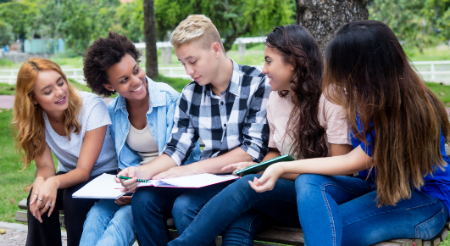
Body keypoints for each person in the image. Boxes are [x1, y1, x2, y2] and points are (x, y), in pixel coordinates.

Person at [250, 20, 450, 246]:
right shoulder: (365, 97)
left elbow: (354, 161)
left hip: (424, 201)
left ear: (361, 66)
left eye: (340, 68)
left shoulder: (404, 106)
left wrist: (283, 165)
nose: (336, 76)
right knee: (310, 184)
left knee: (325, 229)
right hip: (378, 190)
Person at [168, 24, 352, 246]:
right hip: (280, 192)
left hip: (319, 198)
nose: (263, 69)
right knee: (239, 223)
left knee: (247, 186)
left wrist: (278, 169)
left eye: (268, 60)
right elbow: (274, 151)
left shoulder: (331, 98)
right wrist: (253, 168)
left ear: (293, 62)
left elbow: (342, 168)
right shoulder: (276, 98)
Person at [117, 14, 271, 245]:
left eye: (193, 61)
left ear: (215, 49)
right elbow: (176, 150)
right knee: (144, 199)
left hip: (241, 179)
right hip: (207, 179)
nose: (188, 71)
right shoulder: (191, 94)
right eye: (183, 63)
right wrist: (140, 173)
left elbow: (251, 151)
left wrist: (190, 171)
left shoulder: (258, 83)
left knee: (185, 206)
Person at [79, 32, 201, 246]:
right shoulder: (115, 112)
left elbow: (189, 159)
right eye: (124, 80)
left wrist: (142, 184)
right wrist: (126, 186)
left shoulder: (171, 100)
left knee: (120, 225)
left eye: (136, 71)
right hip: (136, 186)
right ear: (109, 86)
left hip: (168, 185)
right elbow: (126, 163)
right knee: (95, 216)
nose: (137, 81)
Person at [12, 58, 117, 246]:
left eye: (60, 83)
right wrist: (40, 182)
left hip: (107, 173)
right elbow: (45, 166)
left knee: (73, 198)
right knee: (36, 198)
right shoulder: (36, 119)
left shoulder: (92, 106)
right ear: (34, 99)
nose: (59, 92)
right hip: (71, 174)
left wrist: (53, 182)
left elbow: (84, 170)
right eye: (47, 91)